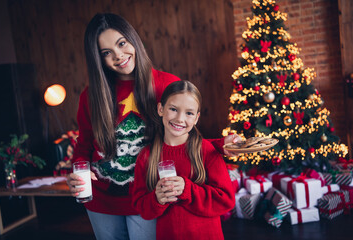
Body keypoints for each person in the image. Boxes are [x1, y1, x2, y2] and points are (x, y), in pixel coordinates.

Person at [66, 13, 240, 240]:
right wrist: (78, 170)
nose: (118, 56)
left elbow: (183, 134)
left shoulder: (166, 84)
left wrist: (219, 145)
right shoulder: (91, 96)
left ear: (133, 40)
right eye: (106, 53)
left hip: (149, 196)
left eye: (122, 44)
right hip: (102, 201)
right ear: (98, 59)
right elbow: (85, 144)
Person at [132, 81, 236, 240]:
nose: (180, 119)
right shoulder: (146, 156)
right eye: (173, 109)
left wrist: (187, 190)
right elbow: (141, 207)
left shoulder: (207, 151)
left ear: (196, 118)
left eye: (189, 113)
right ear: (161, 109)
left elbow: (226, 200)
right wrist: (157, 199)